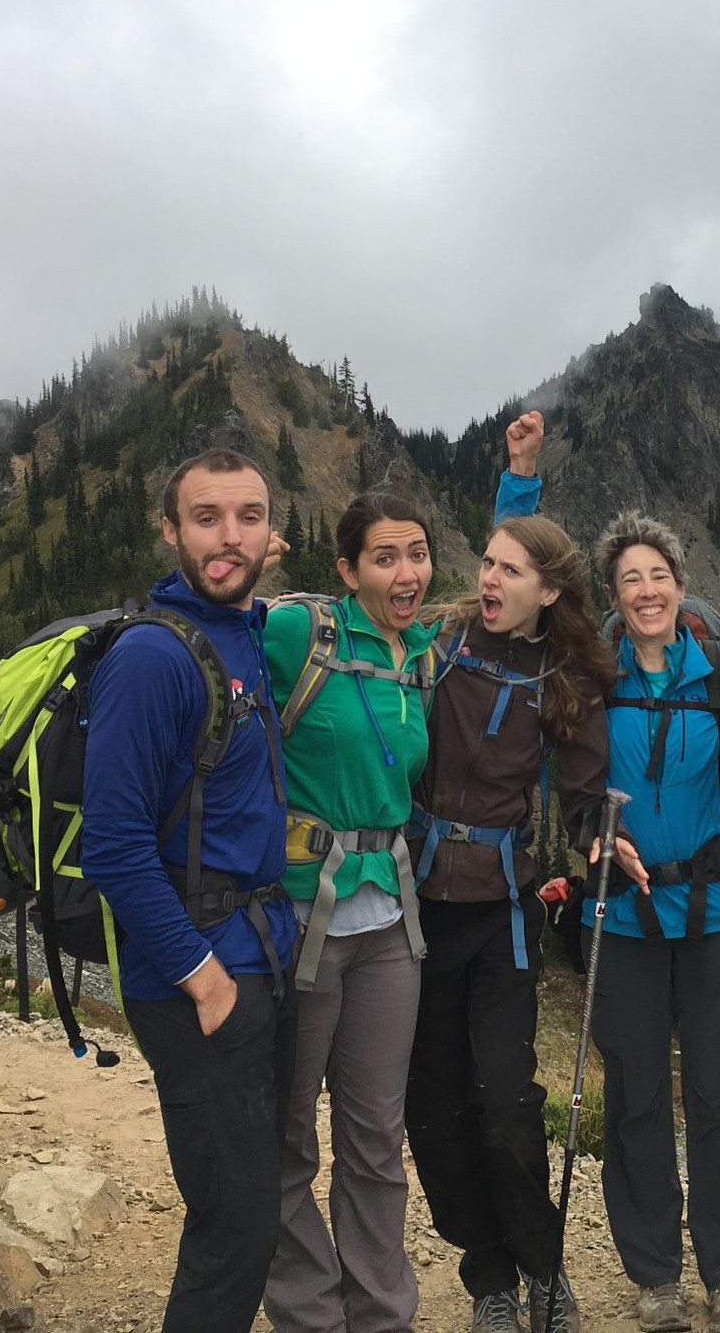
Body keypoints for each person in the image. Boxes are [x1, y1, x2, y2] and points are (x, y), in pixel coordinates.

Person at [80, 447, 297, 1333]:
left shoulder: (245, 631)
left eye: (249, 517)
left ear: (272, 534)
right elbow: (113, 847)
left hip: (254, 957)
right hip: (199, 976)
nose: (228, 537)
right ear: (170, 530)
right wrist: (206, 984)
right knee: (235, 1227)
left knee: (245, 1212)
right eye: (207, 518)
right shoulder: (150, 659)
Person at [405, 411, 613, 1333]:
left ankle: (544, 1269)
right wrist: (518, 475)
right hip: (413, 901)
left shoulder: (563, 679)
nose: (489, 579)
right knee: (431, 1104)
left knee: (505, 1099)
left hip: (500, 911)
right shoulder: (442, 640)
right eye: (485, 564)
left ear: (548, 591)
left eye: (510, 571)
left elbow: (585, 794)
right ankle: (488, 1276)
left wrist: (599, 839)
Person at [261, 492, 440, 1333]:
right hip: (301, 914)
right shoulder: (301, 633)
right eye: (384, 557)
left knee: (375, 1134)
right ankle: (309, 1313)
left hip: (389, 923)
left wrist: (519, 482)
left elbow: (515, 591)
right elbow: (203, 648)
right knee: (287, 1131)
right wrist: (240, 571)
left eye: (418, 554)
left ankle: (380, 1314)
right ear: (347, 569)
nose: (406, 573)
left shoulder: (422, 653)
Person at [589, 512, 720, 1333]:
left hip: (715, 905)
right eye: (631, 579)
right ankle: (654, 1273)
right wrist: (592, 834)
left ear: (682, 586)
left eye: (658, 575)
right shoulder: (593, 677)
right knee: (635, 1093)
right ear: (614, 596)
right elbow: (565, 774)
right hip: (623, 910)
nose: (647, 590)